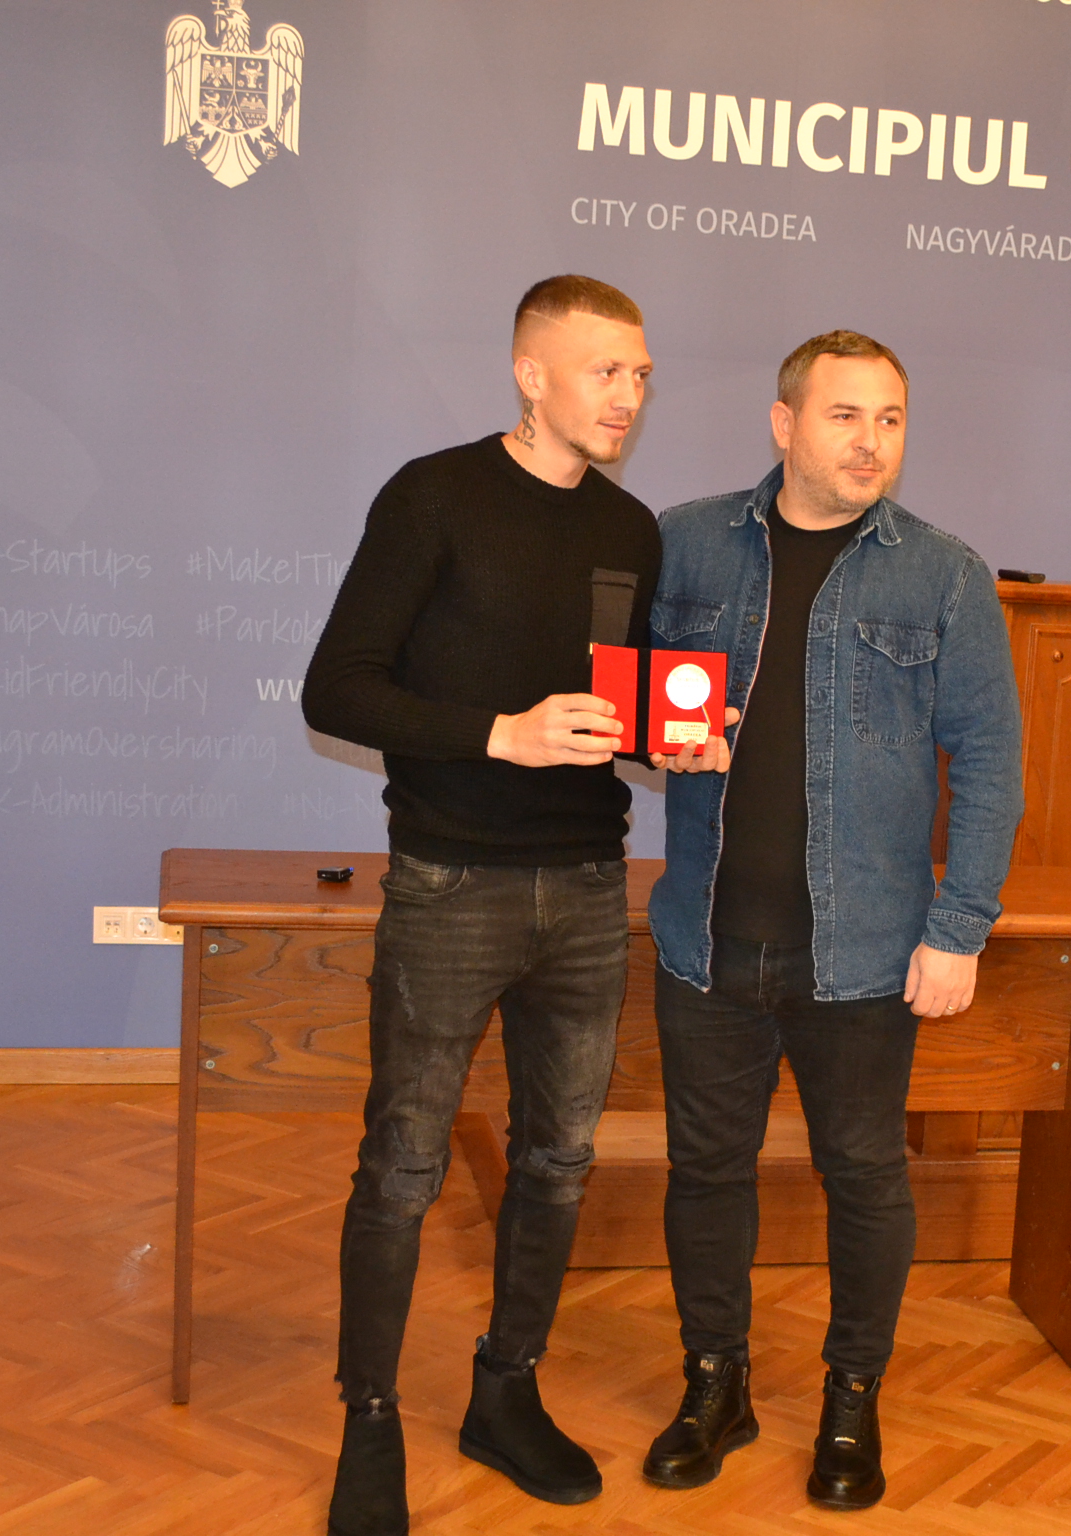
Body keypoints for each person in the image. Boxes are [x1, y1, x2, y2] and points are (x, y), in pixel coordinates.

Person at [637, 331, 1023, 1509]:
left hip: (862, 953)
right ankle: (716, 1385)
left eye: (891, 419)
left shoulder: (945, 575)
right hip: (705, 938)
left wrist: (959, 928)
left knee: (863, 1177)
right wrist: (654, 738)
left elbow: (991, 764)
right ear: (784, 422)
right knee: (706, 1172)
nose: (871, 442)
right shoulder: (686, 541)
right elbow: (628, 692)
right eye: (846, 415)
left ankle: (852, 1399)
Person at [300, 274, 660, 1534]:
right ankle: (369, 1422)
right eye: (607, 371)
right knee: (402, 1166)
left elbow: (613, 705)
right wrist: (501, 733)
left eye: (641, 376)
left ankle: (504, 1394)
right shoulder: (434, 496)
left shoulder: (631, 529)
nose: (629, 396)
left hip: (589, 888)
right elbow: (337, 689)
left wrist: (675, 736)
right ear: (530, 372)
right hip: (450, 881)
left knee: (558, 1162)